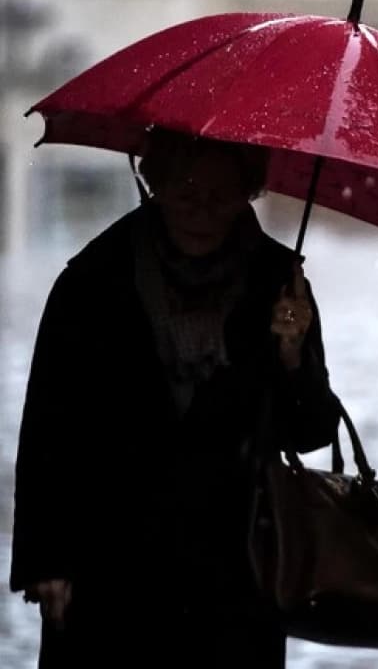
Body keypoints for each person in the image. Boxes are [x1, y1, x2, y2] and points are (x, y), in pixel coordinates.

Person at [9, 129, 343, 667]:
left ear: (248, 192)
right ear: (154, 182)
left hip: (234, 572)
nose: (202, 209)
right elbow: (51, 426)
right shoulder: (94, 280)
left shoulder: (279, 284)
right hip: (110, 563)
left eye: (221, 194)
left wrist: (291, 357)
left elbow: (307, 433)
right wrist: (48, 560)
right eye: (186, 190)